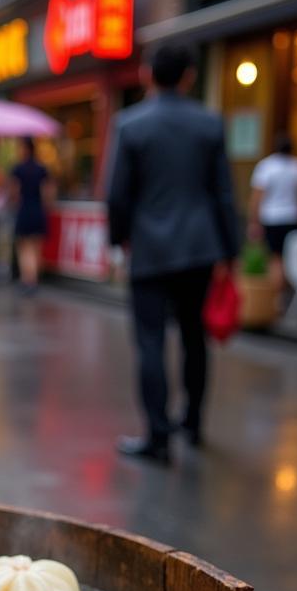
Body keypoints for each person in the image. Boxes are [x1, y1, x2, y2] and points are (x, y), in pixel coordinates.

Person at [105, 42, 238, 462]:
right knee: (194, 338)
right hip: (200, 248)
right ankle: (193, 423)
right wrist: (229, 251)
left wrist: (117, 241)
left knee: (150, 342)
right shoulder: (210, 123)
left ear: (147, 75)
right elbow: (223, 194)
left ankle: (158, 436)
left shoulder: (130, 124)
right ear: (189, 76)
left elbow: (117, 196)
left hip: (149, 248)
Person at [248, 133, 297, 297]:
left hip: (271, 218)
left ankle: (276, 297)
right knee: (289, 257)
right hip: (292, 217)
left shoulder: (266, 166)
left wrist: (253, 221)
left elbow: (256, 198)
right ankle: (284, 294)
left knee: (275, 258)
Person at [10, 137, 53, 294]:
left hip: (25, 210)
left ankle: (28, 279)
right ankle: (34, 278)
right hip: (38, 211)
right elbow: (47, 193)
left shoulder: (18, 169)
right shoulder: (42, 169)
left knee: (25, 247)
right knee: (36, 247)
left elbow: (14, 192)